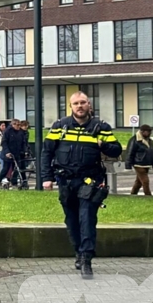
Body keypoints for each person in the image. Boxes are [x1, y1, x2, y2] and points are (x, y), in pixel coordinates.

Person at [40, 91, 122, 279]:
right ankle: (78, 251)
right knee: (71, 220)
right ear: (71, 106)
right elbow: (46, 153)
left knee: (87, 218)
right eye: (76, 103)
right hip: (65, 181)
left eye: (83, 102)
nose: (80, 106)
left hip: (90, 181)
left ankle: (86, 258)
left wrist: (103, 144)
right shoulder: (60, 127)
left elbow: (116, 149)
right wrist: (47, 177)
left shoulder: (101, 127)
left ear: (89, 105)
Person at [124, 124, 153, 196]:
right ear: (142, 132)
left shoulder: (150, 141)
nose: (149, 133)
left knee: (139, 182)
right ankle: (148, 195)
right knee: (145, 181)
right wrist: (128, 166)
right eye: (147, 131)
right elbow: (130, 153)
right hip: (138, 164)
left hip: (147, 164)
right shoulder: (134, 140)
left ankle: (133, 194)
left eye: (149, 131)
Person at [0, 120, 26, 188]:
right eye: (17, 125)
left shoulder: (20, 132)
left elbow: (23, 142)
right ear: (13, 125)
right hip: (8, 153)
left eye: (19, 125)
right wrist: (7, 152)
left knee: (17, 168)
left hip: (17, 153)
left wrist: (24, 151)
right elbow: (4, 142)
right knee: (6, 168)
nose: (19, 126)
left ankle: (14, 182)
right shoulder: (8, 131)